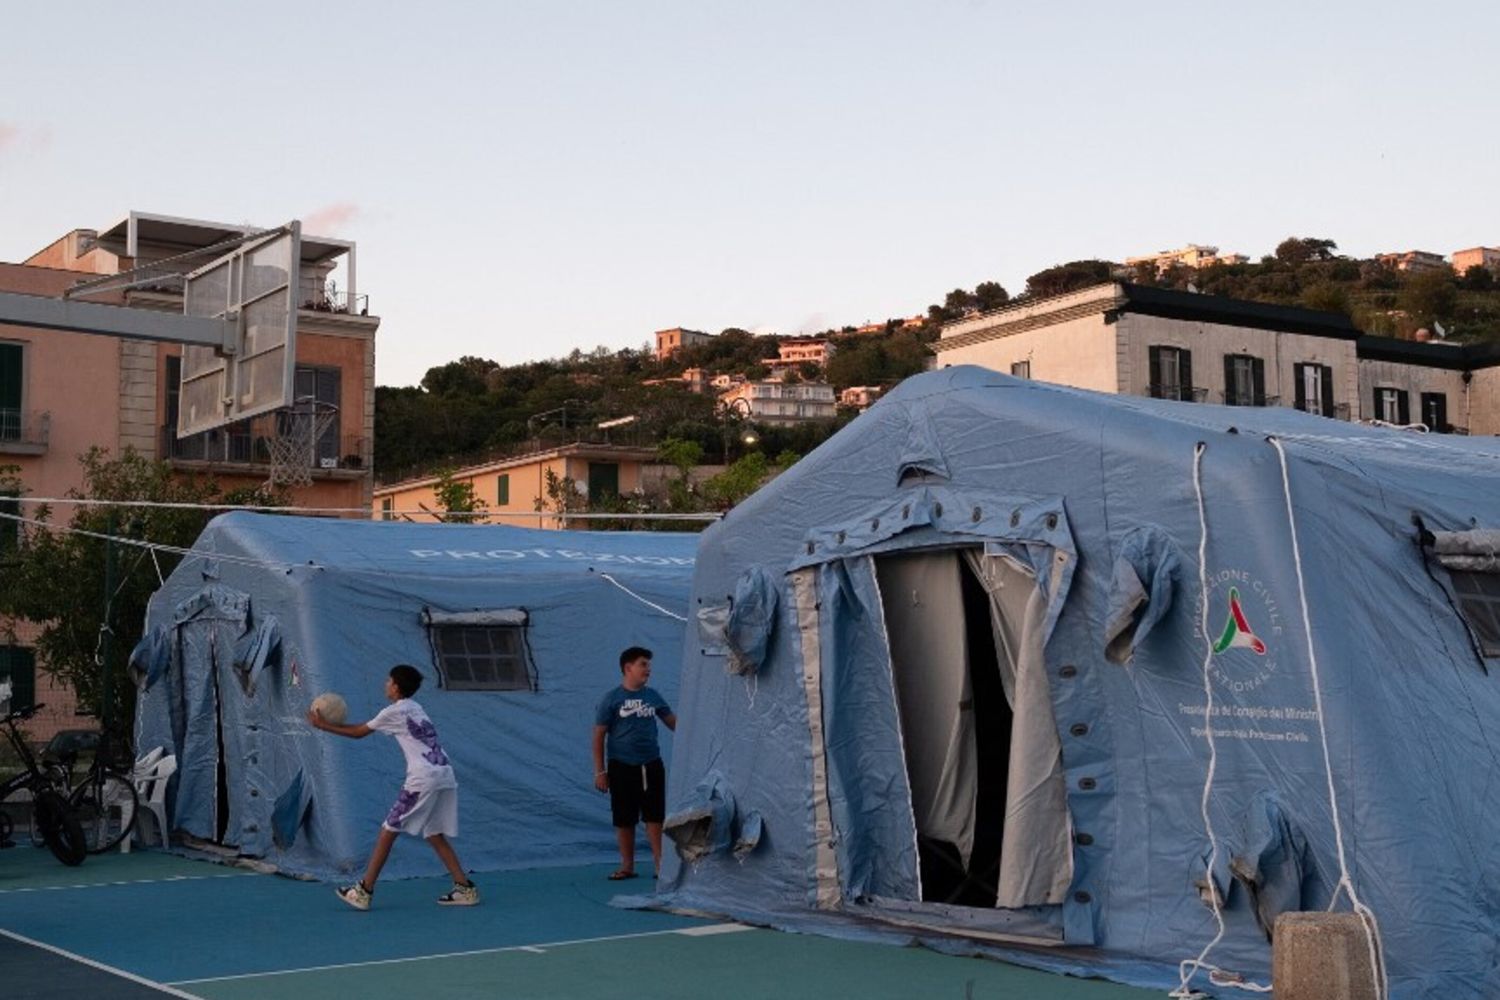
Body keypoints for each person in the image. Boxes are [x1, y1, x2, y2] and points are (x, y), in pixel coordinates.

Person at [307, 664, 479, 910]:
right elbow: (364, 726)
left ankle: (363, 891)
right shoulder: (415, 707)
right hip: (444, 773)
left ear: (396, 687)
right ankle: (465, 888)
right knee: (433, 833)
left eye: (389, 681)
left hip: (423, 778)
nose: (385, 684)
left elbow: (358, 733)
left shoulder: (393, 711)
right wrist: (329, 725)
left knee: (389, 829)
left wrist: (323, 726)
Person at [593, 646, 677, 880]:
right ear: (628, 668)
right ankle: (627, 866)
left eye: (649, 665)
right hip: (621, 766)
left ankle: (661, 865)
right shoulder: (611, 699)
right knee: (624, 817)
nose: (648, 670)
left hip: (651, 764)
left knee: (655, 815)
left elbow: (673, 723)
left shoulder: (653, 696)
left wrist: (698, 732)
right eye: (643, 665)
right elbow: (598, 735)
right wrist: (600, 772)